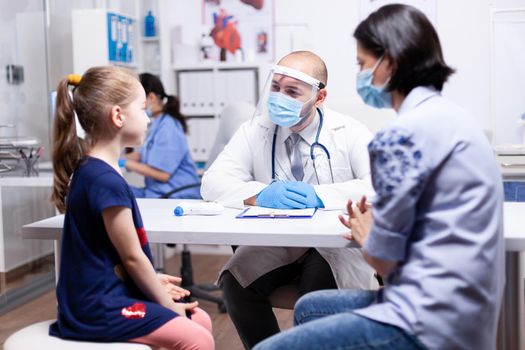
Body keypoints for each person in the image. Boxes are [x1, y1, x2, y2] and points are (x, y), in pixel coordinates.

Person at [254, 5, 504, 350]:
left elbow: (385, 260)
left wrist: (368, 234)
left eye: (361, 63)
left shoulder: (400, 136)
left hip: (423, 321)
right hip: (473, 313)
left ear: (391, 61)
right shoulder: (456, 119)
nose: (360, 74)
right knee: (311, 308)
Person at [201, 50, 379, 348]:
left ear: (319, 98)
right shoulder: (255, 130)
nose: (279, 97)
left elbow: (380, 187)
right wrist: (259, 195)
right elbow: (213, 181)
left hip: (332, 245)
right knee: (234, 281)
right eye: (275, 87)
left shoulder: (349, 132)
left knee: (315, 294)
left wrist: (319, 196)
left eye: (292, 91)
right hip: (278, 242)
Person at [49, 67, 214, 350]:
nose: (148, 118)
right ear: (118, 116)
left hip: (105, 292)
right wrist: (165, 304)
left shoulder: (97, 171)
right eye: (142, 109)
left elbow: (114, 256)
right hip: (98, 307)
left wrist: (154, 280)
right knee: (196, 335)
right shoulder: (103, 179)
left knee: (199, 320)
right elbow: (132, 257)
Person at [121, 73, 201, 199]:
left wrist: (123, 162)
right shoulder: (158, 122)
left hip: (176, 195)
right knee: (117, 191)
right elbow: (145, 154)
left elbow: (163, 175)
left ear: (151, 97)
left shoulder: (168, 127)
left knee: (118, 193)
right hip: (160, 192)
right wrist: (112, 158)